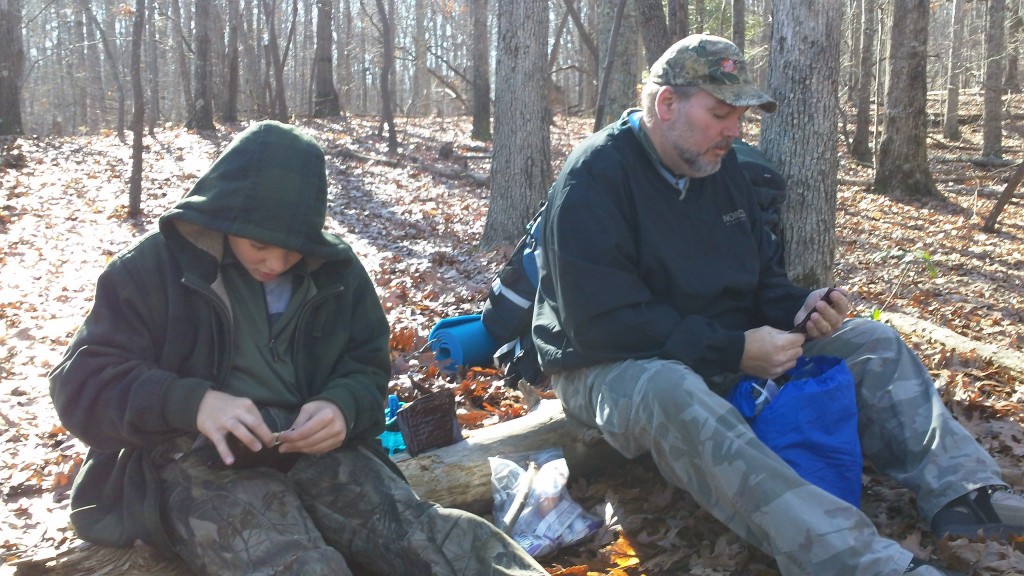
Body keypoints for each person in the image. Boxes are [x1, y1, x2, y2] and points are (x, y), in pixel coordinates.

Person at [532, 34, 1023, 576]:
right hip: (604, 365)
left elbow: (762, 282)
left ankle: (965, 494)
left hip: (716, 343)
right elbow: (602, 324)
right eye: (721, 113)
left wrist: (803, 307)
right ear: (665, 104)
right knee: (670, 388)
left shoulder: (724, 172)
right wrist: (735, 349)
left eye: (739, 116)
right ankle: (855, 559)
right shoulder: (595, 176)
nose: (734, 132)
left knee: (871, 342)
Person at [49, 121, 547, 576]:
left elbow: (365, 365)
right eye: (258, 246)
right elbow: (81, 384)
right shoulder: (153, 270)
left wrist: (342, 407)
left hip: (310, 448)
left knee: (426, 534)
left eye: (291, 249)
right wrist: (194, 402)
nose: (275, 262)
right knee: (292, 562)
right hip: (189, 459)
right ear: (224, 217)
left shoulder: (335, 270)